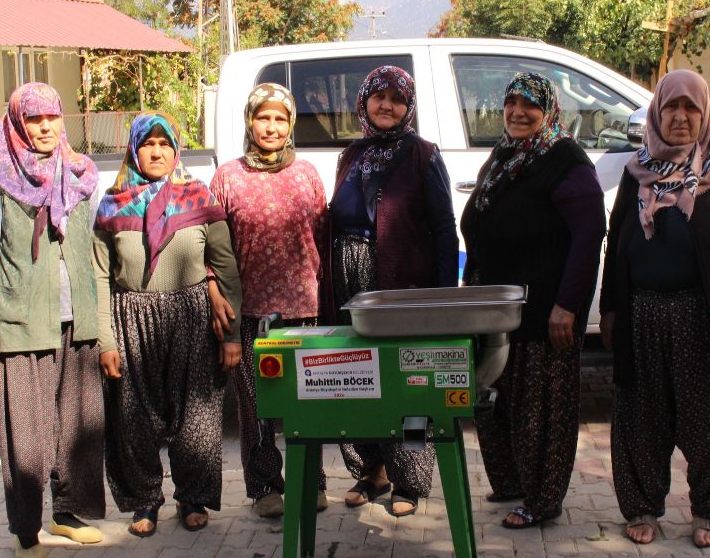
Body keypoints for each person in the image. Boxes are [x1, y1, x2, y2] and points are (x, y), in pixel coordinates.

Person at [600, 69, 710, 548]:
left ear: (704, 113)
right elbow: (616, 239)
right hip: (644, 315)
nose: (680, 117)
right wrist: (612, 308)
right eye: (671, 108)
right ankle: (641, 507)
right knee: (641, 415)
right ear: (657, 112)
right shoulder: (637, 168)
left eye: (690, 108)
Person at [460, 72, 606, 529]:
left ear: (549, 111)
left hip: (545, 311)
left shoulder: (563, 159)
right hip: (498, 307)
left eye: (531, 105)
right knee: (498, 400)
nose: (519, 113)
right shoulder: (506, 154)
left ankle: (542, 501)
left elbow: (589, 235)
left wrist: (567, 306)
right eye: (512, 103)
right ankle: (511, 482)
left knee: (540, 409)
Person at [0, 82, 105, 557]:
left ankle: (68, 513)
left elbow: (94, 249)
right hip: (21, 314)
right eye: (34, 119)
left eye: (52, 117)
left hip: (78, 314)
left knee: (78, 424)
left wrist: (103, 319)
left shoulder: (81, 172)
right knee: (25, 431)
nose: (45, 127)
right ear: (17, 123)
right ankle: (25, 529)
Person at [93, 112, 243, 537]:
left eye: (164, 144)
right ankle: (144, 500)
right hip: (131, 317)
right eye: (147, 144)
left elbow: (226, 267)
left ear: (176, 149)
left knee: (195, 415)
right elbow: (99, 275)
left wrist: (231, 334)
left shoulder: (198, 196)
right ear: (133, 150)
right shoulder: (113, 201)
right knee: (135, 417)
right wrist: (106, 339)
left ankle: (192, 498)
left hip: (193, 314)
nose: (156, 152)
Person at [325, 65, 458, 517]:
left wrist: (442, 300)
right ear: (363, 103)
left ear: (408, 106)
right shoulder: (352, 154)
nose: (387, 105)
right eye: (378, 97)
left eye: (397, 98)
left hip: (402, 284)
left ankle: (411, 480)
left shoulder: (424, 154)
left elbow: (444, 230)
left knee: (407, 379)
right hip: (350, 279)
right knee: (358, 374)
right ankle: (372, 469)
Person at [209, 83, 330, 518]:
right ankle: (264, 488)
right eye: (264, 117)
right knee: (257, 405)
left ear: (291, 123)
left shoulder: (308, 174)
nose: (272, 126)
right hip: (251, 311)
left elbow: (321, 238)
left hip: (305, 309)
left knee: (308, 401)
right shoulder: (227, 177)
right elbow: (215, 247)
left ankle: (312, 481)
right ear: (249, 121)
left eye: (280, 118)